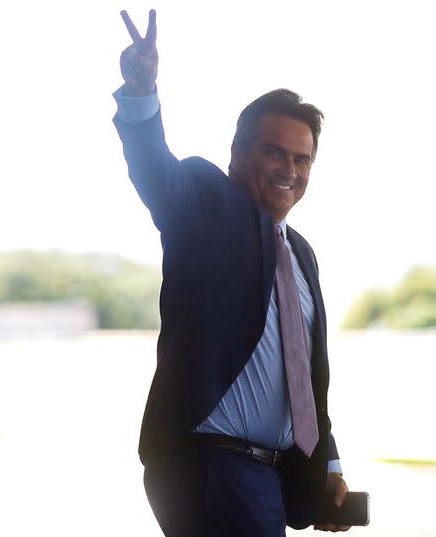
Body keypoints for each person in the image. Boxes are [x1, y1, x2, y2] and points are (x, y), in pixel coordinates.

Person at [113, 9, 351, 536]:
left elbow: (305, 377)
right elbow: (153, 166)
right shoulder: (204, 204)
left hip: (270, 476)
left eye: (303, 159)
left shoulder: (302, 255)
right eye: (274, 152)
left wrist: (328, 463)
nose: (290, 170)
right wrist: (140, 93)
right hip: (211, 467)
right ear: (237, 154)